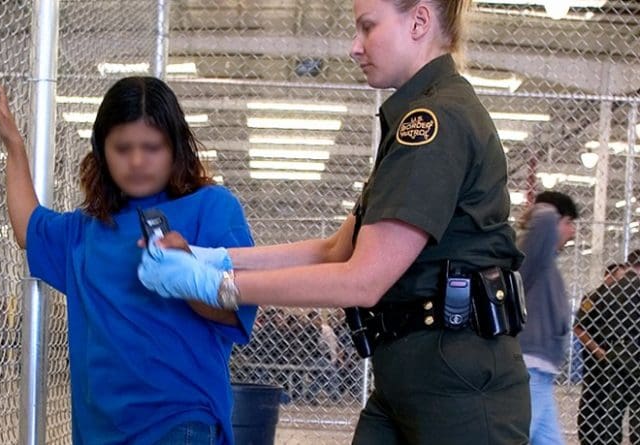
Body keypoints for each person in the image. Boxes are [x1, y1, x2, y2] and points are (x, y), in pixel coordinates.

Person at [137, 0, 530, 443]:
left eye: (367, 28)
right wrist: (213, 258)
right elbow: (334, 250)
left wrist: (218, 286)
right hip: (411, 378)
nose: (354, 47)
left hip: (457, 389)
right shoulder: (415, 121)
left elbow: (362, 280)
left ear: (419, 21)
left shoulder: (433, 123)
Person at [0, 77, 257, 444]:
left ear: (176, 148)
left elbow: (236, 310)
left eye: (152, 147)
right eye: (122, 147)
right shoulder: (86, 230)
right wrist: (14, 147)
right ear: (102, 150)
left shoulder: (211, 208)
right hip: (100, 429)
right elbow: (28, 228)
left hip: (181, 420)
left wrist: (188, 275)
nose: (136, 161)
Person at [516, 190, 579, 445]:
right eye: (568, 223)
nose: (572, 231)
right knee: (517, 437)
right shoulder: (534, 254)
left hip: (540, 372)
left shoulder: (546, 264)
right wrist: (547, 207)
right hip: (530, 369)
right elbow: (542, 218)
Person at [576, 252, 640, 445]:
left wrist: (601, 352)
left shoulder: (605, 292)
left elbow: (579, 326)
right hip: (634, 354)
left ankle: (607, 440)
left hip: (611, 356)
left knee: (611, 410)